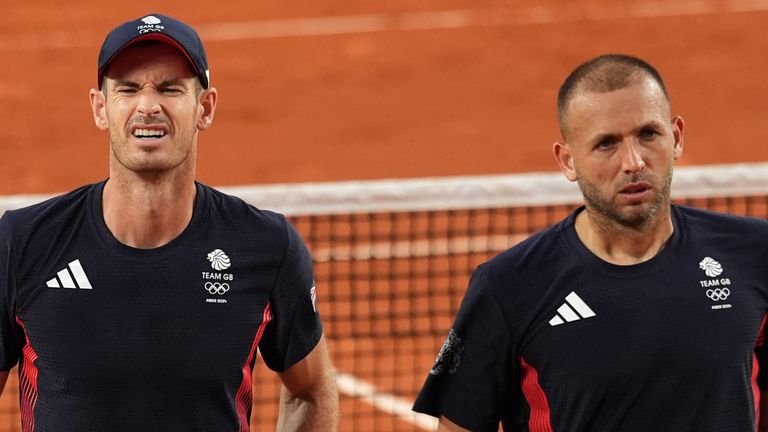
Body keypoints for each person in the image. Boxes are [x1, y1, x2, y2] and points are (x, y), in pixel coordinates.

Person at [0, 13, 339, 431]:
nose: (148, 106)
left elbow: (311, 389)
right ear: (100, 108)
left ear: (205, 107)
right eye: (128, 89)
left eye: (169, 89)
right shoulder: (23, 243)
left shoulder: (266, 248)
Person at [413, 53, 768, 431]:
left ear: (676, 137)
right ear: (567, 161)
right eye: (606, 144)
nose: (633, 162)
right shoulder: (509, 287)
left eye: (648, 134)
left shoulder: (753, 252)